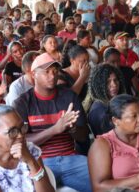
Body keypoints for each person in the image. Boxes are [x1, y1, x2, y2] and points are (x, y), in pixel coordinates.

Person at [13, 52, 91, 191]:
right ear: (33, 75)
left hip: (70, 159)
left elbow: (84, 136)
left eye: (55, 71)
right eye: (46, 72)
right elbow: (20, 142)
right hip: (39, 161)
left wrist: (72, 129)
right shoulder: (23, 102)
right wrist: (55, 129)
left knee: (100, 180)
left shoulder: (69, 97)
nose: (52, 75)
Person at [87, 64, 126, 135]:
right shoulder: (100, 111)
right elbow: (115, 137)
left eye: (115, 80)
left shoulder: (111, 103)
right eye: (108, 82)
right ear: (99, 85)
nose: (114, 84)